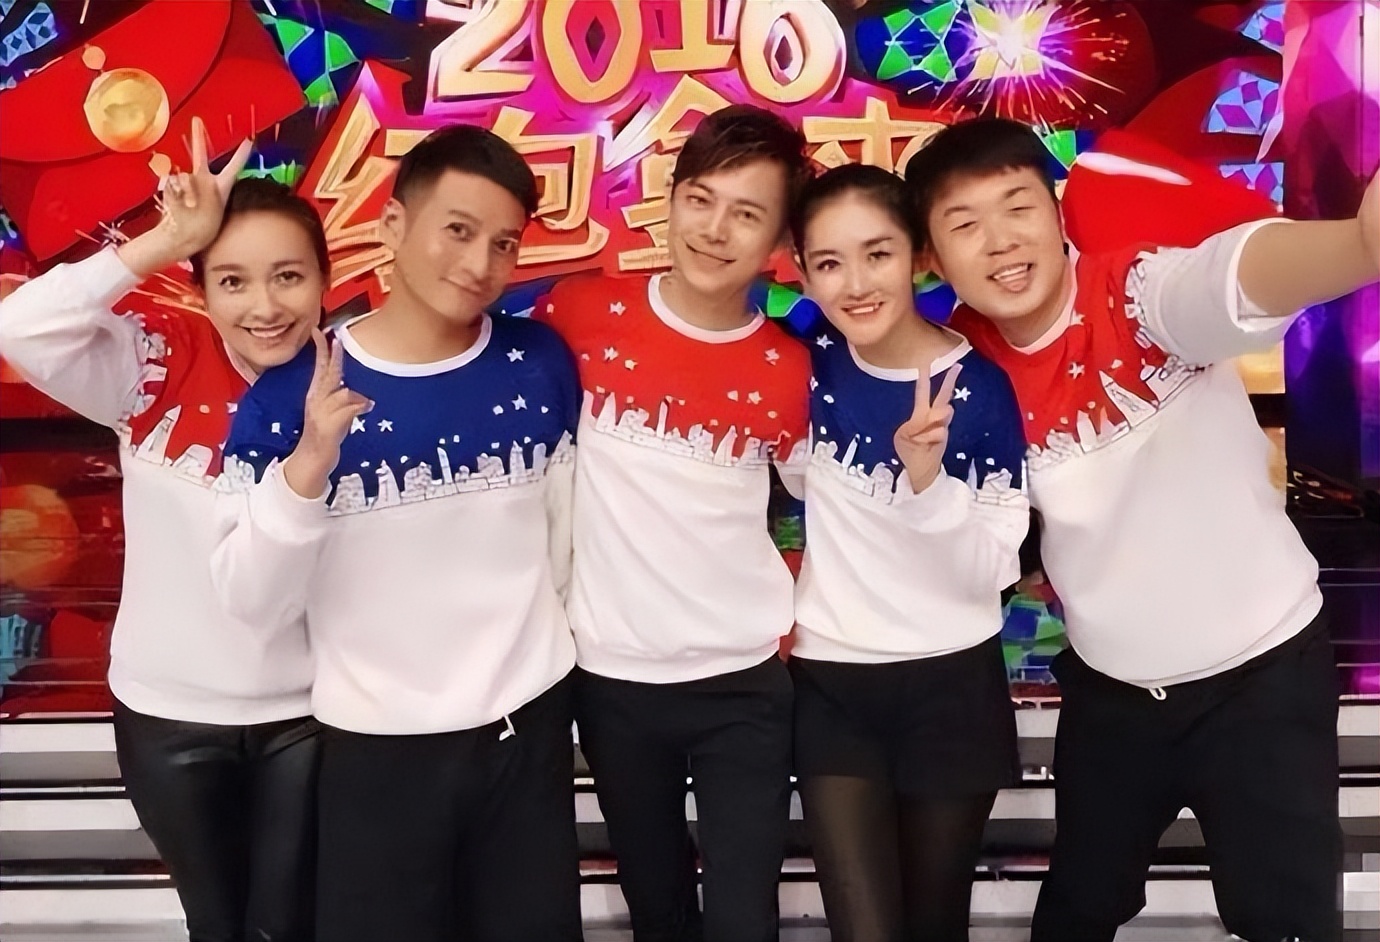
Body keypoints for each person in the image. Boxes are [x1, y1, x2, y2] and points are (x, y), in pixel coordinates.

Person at [906, 117, 1379, 942]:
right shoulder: (962, 375)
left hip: (1262, 682)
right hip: (1113, 698)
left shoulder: (1139, 293)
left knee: (1285, 922)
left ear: (1057, 212)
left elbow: (1228, 281)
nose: (1000, 241)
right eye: (964, 223)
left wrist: (1358, 246)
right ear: (934, 260)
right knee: (1077, 913)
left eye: (1017, 206)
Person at [209, 124, 584, 942]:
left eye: (504, 243)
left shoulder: (538, 362)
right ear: (391, 225)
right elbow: (248, 601)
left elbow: (564, 541)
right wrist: (307, 469)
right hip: (376, 748)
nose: (479, 263)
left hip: (527, 732)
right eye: (458, 230)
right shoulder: (289, 399)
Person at [0, 118, 322, 942]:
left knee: (289, 926)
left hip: (311, 716)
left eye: (288, 277)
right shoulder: (154, 361)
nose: (265, 307)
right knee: (216, 924)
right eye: (233, 281)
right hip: (168, 715)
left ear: (326, 280)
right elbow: (19, 329)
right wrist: (164, 240)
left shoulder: (350, 386)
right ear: (202, 288)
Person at [536, 104, 812, 942]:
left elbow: (837, 512)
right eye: (701, 199)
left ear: (779, 239)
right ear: (672, 196)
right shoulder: (579, 314)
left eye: (747, 213)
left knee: (742, 917)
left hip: (743, 684)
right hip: (610, 680)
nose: (715, 229)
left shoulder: (789, 368)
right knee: (655, 905)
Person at [785, 162, 1028, 942]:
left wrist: (927, 485)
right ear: (801, 273)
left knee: (934, 924)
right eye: (830, 263)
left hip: (952, 685)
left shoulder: (980, 389)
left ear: (917, 256)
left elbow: (994, 570)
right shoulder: (806, 363)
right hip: (833, 684)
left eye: (878, 253)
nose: (856, 283)